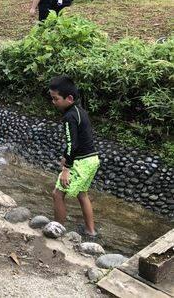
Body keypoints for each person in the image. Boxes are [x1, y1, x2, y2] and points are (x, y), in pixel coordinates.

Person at [49, 76, 100, 238]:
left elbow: (73, 145)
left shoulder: (69, 117)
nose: (53, 102)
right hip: (92, 159)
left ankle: (57, 232)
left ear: (69, 98)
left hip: (81, 161)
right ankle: (90, 232)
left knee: (57, 194)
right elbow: (81, 139)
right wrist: (66, 156)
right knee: (82, 194)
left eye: (56, 99)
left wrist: (66, 169)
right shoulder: (79, 111)